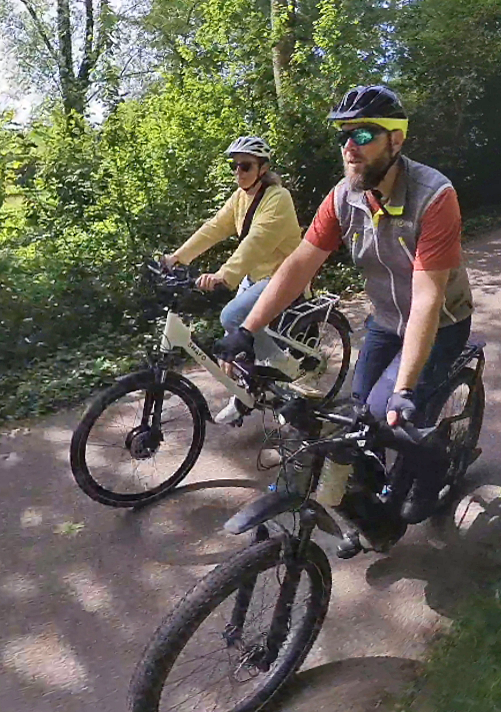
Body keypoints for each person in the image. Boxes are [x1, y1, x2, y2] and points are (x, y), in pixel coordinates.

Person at [216, 85, 474, 524]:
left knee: (388, 413)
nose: (349, 148)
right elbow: (299, 265)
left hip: (441, 324)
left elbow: (428, 297)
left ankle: (432, 472)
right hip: (385, 320)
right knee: (355, 414)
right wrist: (246, 330)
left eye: (362, 135)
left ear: (396, 139)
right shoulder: (343, 197)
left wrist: (405, 387)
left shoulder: (434, 196)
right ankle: (371, 491)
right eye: (343, 137)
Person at [163, 135, 303, 425]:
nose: (238, 172)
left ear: (263, 168)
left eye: (246, 166)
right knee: (233, 341)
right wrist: (176, 257)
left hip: (283, 274)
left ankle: (285, 365)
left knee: (232, 316)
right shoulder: (241, 197)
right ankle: (242, 395)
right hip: (254, 275)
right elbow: (214, 227)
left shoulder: (278, 198)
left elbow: (256, 242)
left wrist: (222, 275)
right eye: (235, 166)